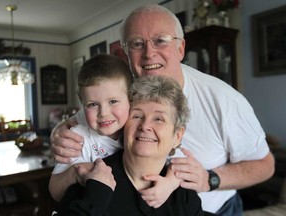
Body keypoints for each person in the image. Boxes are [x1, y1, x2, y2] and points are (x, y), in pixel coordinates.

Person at [50, 4, 275, 215]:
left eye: (161, 40)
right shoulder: (120, 94)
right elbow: (93, 117)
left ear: (181, 48)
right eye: (137, 43)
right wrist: (60, 129)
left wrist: (209, 179)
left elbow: (265, 166)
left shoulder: (224, 100)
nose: (149, 53)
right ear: (126, 54)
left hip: (215, 208)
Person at [55, 75, 209, 216]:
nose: (145, 126)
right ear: (124, 125)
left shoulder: (184, 196)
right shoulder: (92, 182)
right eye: (137, 116)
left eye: (159, 119)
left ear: (178, 136)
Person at [49, 54, 133, 201]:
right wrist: (77, 172)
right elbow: (55, 191)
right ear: (82, 102)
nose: (104, 113)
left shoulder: (140, 129)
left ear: (131, 98)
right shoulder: (78, 138)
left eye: (113, 101)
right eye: (93, 104)